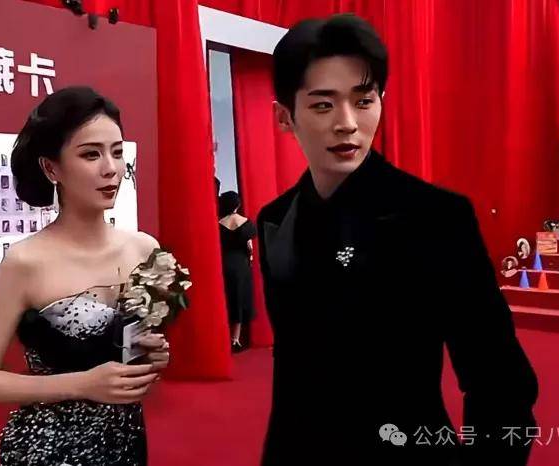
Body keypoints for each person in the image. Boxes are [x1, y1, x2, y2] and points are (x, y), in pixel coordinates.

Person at [256, 14, 538, 466]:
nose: (347, 123)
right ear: (284, 117)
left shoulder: (436, 218)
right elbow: (292, 372)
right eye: (323, 105)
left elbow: (499, 381)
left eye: (363, 101)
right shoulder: (275, 219)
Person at [0, 87, 170, 466]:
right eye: (91, 154)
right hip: (49, 447)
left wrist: (152, 357)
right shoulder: (25, 261)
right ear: (51, 168)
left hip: (127, 443)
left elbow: (136, 357)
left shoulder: (144, 249)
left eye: (117, 152)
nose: (111, 168)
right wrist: (82, 384)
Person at [218, 191, 257, 351]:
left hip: (224, 264)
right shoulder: (246, 223)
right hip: (241, 265)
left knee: (227, 299)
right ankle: (236, 339)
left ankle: (224, 337)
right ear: (237, 204)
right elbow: (250, 247)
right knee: (240, 299)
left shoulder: (219, 223)